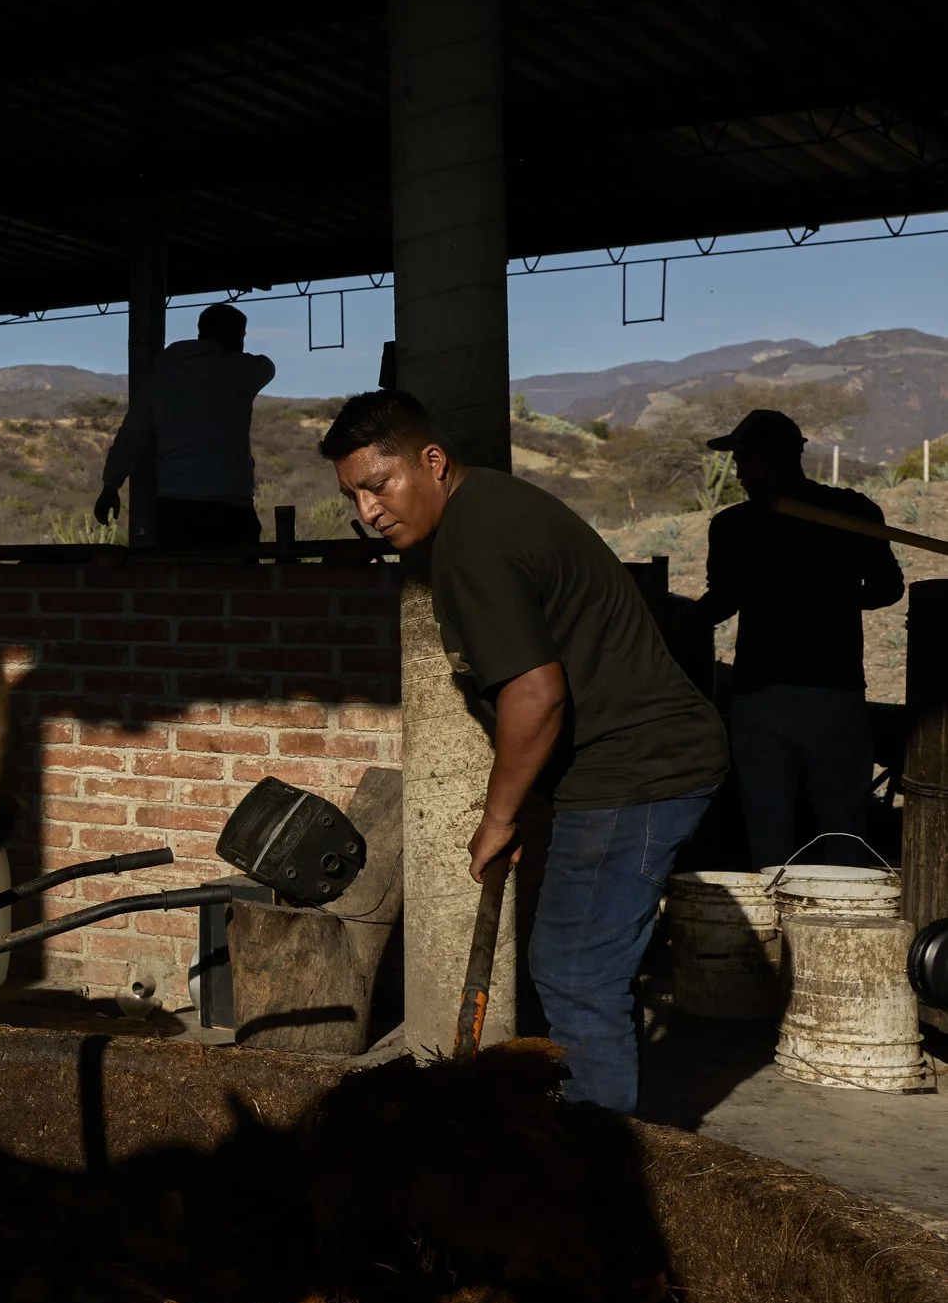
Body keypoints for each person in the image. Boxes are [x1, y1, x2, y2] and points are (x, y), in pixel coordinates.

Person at [322, 390, 727, 1113]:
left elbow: (536, 695)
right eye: (354, 495)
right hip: (632, 765)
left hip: (637, 769)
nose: (368, 511)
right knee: (587, 970)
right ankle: (609, 1129)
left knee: (574, 972)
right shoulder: (486, 514)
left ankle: (594, 1170)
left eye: (379, 485)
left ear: (433, 461)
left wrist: (500, 817)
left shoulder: (477, 540)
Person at [690, 408, 903, 866]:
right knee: (845, 820)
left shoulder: (734, 526)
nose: (740, 473)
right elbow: (888, 589)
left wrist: (668, 620)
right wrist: (837, 600)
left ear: (760, 459)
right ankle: (844, 920)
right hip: (835, 690)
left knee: (767, 821)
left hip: (761, 697)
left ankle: (775, 924)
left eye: (742, 461)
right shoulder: (852, 512)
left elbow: (721, 602)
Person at [94, 303, 274, 548]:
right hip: (232, 501)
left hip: (175, 502)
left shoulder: (160, 376)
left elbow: (131, 436)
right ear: (235, 337)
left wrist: (110, 485)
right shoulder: (241, 371)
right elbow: (267, 366)